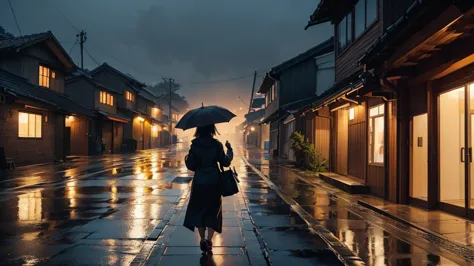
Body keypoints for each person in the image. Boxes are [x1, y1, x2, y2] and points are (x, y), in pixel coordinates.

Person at [183, 124, 233, 253]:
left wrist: (187, 158)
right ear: (212, 129)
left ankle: (202, 239)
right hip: (214, 181)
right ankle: (210, 240)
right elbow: (225, 162)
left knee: (199, 209)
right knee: (213, 210)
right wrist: (229, 150)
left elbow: (191, 165)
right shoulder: (217, 145)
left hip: (199, 181)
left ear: (198, 129)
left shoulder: (195, 145)